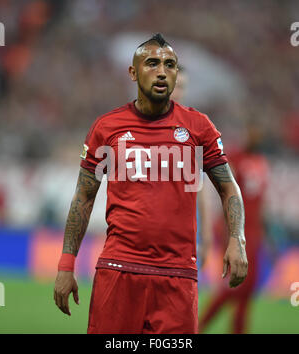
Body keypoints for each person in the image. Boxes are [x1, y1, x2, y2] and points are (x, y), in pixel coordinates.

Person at [54, 33, 248, 334]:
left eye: (170, 65)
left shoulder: (199, 128)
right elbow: (84, 197)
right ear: (133, 73)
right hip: (118, 272)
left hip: (177, 277)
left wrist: (237, 239)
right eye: (152, 63)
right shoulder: (107, 128)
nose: (162, 71)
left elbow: (228, 187)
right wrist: (67, 264)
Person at [198, 123, 269, 334]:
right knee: (234, 286)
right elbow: (226, 192)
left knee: (246, 291)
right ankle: (196, 327)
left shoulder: (262, 163)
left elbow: (261, 203)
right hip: (234, 230)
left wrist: (264, 232)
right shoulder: (236, 158)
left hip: (254, 234)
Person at [171, 66, 213, 268]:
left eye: (181, 87)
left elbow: (200, 189)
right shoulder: (141, 126)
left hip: (183, 240)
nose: (176, 92)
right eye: (174, 85)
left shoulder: (194, 130)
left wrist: (206, 237)